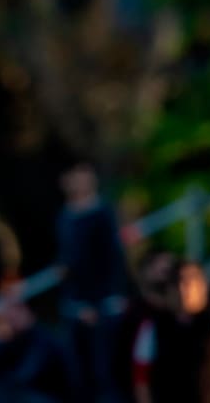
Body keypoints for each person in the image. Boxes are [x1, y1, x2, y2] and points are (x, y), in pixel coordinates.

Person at [55, 161, 129, 403]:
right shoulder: (65, 216)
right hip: (77, 306)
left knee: (106, 373)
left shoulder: (103, 213)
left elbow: (111, 259)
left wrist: (99, 301)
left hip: (103, 305)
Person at [132, 258, 210, 403]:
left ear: (203, 285)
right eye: (178, 282)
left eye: (191, 281)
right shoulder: (153, 325)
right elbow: (140, 377)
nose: (185, 288)